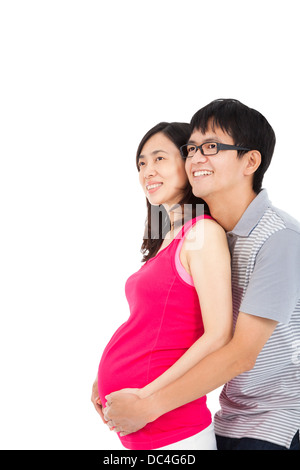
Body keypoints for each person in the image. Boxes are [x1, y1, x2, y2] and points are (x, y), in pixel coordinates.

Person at [103, 99, 300, 451]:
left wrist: (148, 405)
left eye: (211, 147)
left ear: (250, 161)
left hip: (276, 419)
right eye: (191, 149)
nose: (195, 158)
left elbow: (240, 352)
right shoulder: (211, 232)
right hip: (230, 413)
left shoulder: (279, 238)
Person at [91, 121, 233, 450]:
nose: (147, 171)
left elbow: (217, 335)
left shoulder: (202, 234)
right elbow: (153, 322)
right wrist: (104, 377)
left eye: (159, 159)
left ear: (190, 163)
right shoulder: (170, 237)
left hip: (174, 430)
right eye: (141, 163)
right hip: (148, 431)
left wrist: (145, 396)